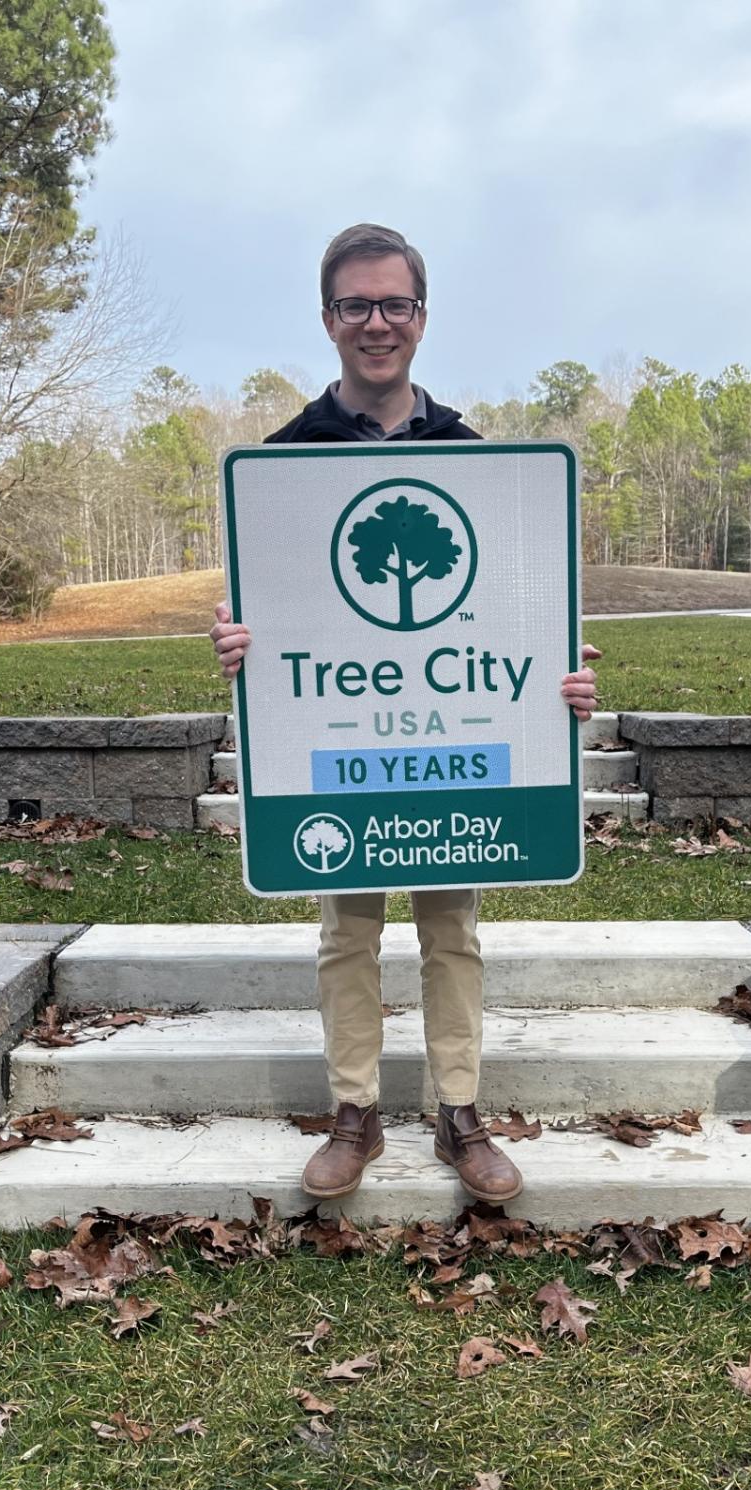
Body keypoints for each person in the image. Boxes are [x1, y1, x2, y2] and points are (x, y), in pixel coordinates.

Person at [212, 222, 599, 1206]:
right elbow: (282, 618)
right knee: (348, 932)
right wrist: (242, 653)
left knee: (452, 930)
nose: (376, 322)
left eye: (394, 304)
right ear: (329, 319)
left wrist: (556, 678)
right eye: (356, 305)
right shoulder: (287, 463)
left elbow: (515, 611)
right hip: (341, 755)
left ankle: (460, 1116)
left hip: (453, 751)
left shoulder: (469, 456)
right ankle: (356, 1115)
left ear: (420, 318)